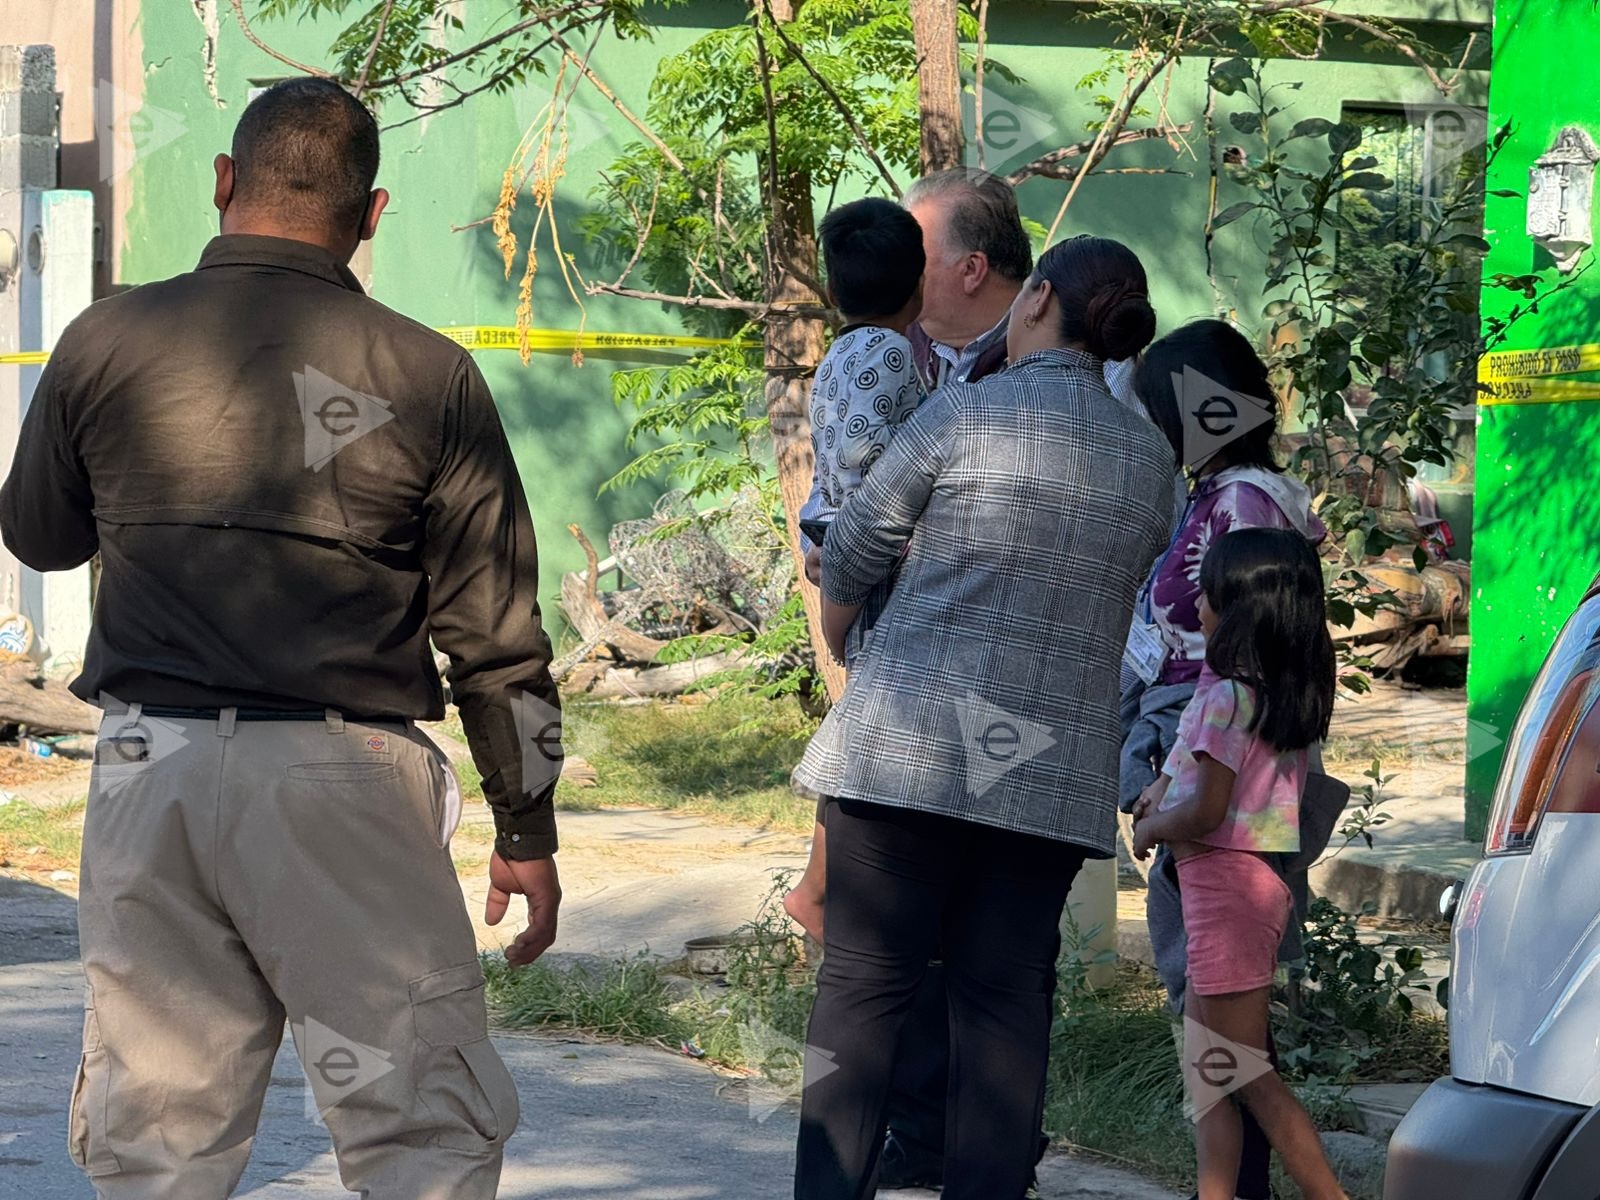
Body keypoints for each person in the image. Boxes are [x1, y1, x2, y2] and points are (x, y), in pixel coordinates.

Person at [0, 79, 561, 1198]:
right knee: (419, 1129)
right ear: (373, 214)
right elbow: (494, 632)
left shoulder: (105, 336)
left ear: (222, 183)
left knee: (156, 1141)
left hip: (145, 767)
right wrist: (525, 826)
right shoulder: (428, 371)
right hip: (340, 778)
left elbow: (39, 537)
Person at [790, 235, 1173, 1199]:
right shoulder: (1151, 461)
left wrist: (844, 630)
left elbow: (855, 550)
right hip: (1043, 776)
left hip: (902, 755)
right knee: (1006, 1009)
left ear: (1036, 299)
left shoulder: (963, 410)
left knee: (862, 998)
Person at [1120, 320, 1330, 1200]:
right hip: (1191, 762)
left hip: (1210, 793)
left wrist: (1159, 807)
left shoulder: (1244, 508)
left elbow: (1249, 655)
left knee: (1223, 1039)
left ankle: (1251, 1187)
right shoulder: (1221, 493)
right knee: (1218, 1041)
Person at [1130, 528, 1346, 1200]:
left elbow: (1205, 814)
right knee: (1211, 1069)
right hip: (1236, 890)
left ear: (1241, 608)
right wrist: (1160, 793)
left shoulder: (1226, 696)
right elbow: (1190, 780)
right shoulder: (1253, 690)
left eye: (1210, 591)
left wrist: (1150, 830)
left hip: (1225, 892)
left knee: (1245, 1072)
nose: (1197, 601)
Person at [781, 197, 925, 943]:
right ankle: (822, 890)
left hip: (855, 555)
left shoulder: (840, 355)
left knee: (866, 728)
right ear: (922, 283)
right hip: (880, 570)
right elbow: (872, 473)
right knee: (871, 735)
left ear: (835, 293)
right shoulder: (890, 353)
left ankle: (823, 888)